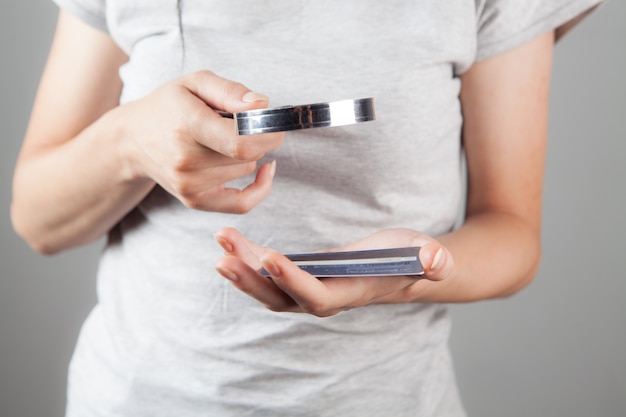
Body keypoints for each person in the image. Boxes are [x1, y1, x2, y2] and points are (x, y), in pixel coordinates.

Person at [11, 1, 602, 416]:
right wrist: (129, 142)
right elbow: (37, 219)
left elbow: (514, 233)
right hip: (135, 401)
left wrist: (400, 273)